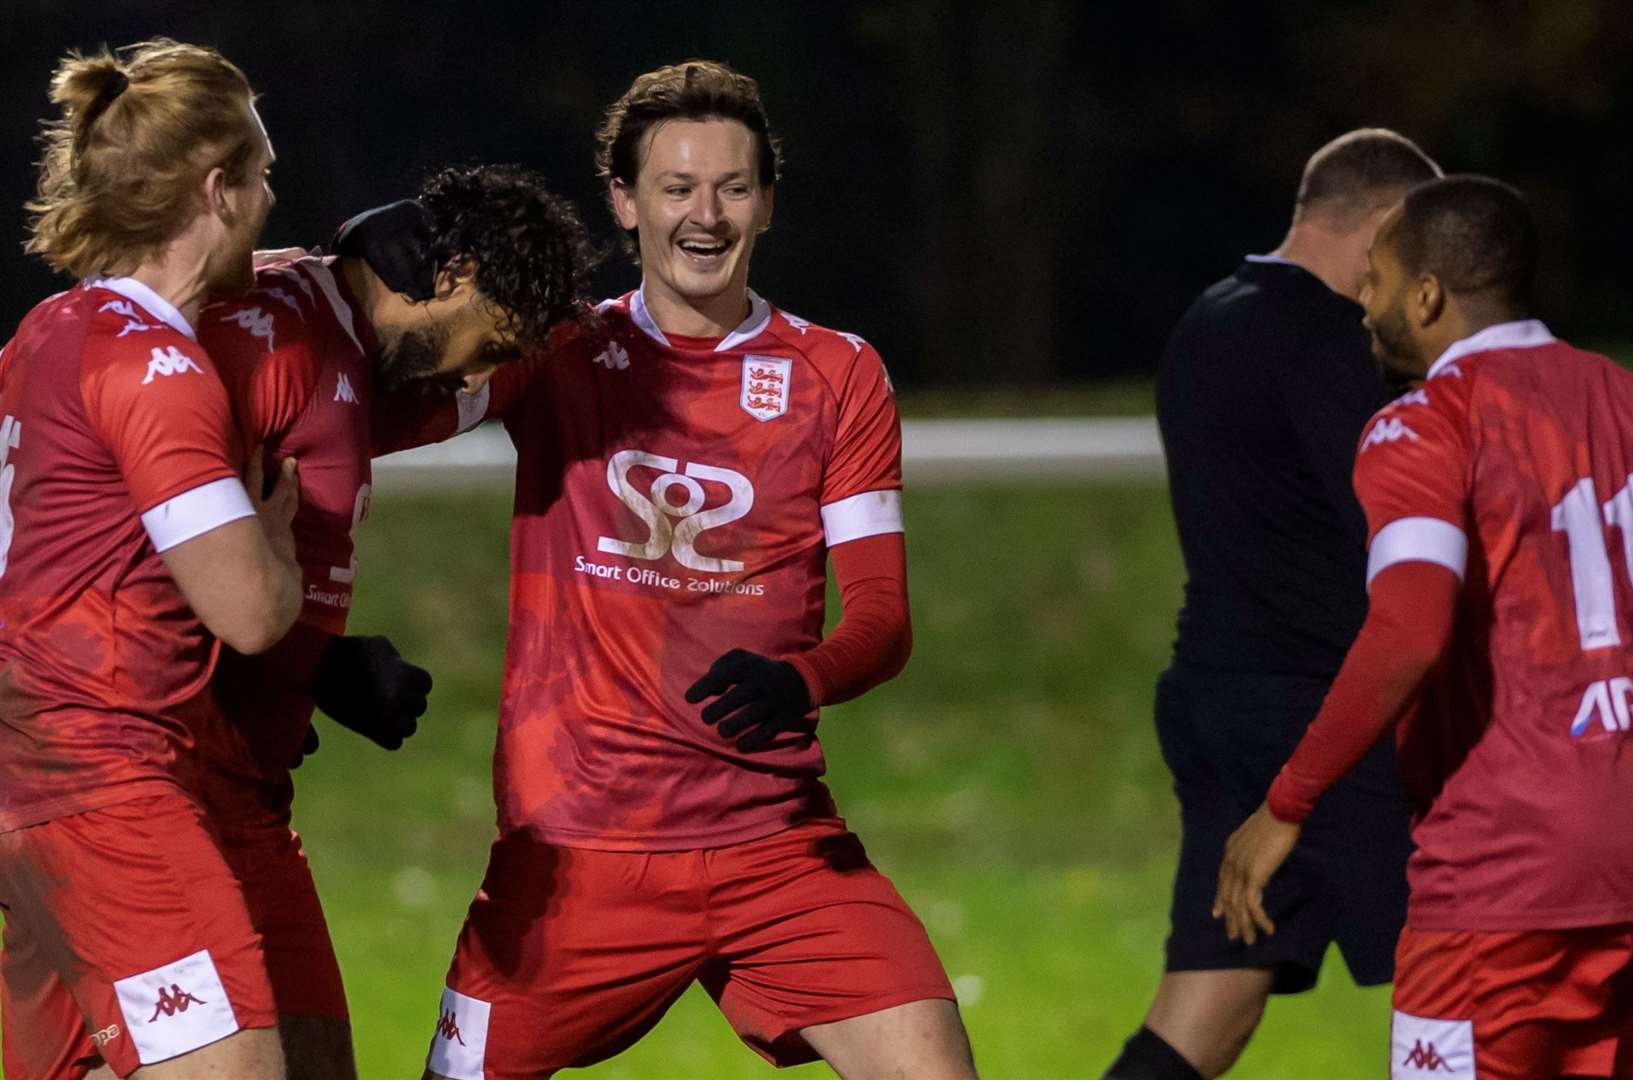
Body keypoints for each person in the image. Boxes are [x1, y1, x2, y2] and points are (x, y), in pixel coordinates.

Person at [393, 60, 977, 1080]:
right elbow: (375, 412)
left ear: (765, 203)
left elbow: (881, 620)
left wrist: (801, 680)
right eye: (675, 188)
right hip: (576, 858)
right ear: (624, 202)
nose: (704, 216)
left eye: (732, 187)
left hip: (776, 848)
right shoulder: (559, 351)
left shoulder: (836, 373)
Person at [27, 164, 599, 1080]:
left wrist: (311, 669)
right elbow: (130, 503)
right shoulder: (243, 344)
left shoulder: (360, 362)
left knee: (315, 1063)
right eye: (484, 344)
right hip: (146, 780)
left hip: (247, 795)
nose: (479, 374)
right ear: (447, 275)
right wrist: (286, 659)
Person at [1216, 175, 1633, 1080]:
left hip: (1511, 875)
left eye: (1377, 283)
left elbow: (1409, 627)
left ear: (1427, 295)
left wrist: (1287, 802)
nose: (1366, 307)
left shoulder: (1427, 425)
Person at [1104, 130, 1441, 1080]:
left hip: (1216, 701)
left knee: (1211, 1003)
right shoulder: (1321, 338)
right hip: (1322, 720)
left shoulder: (1211, 316)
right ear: (1384, 224)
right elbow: (1391, 512)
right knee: (1474, 968)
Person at [0, 40, 300, 1080]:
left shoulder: (46, 332)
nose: (269, 203)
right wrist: (280, 531)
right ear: (217, 188)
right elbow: (250, 614)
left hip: (28, 790)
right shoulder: (159, 365)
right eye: (262, 177)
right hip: (106, 791)